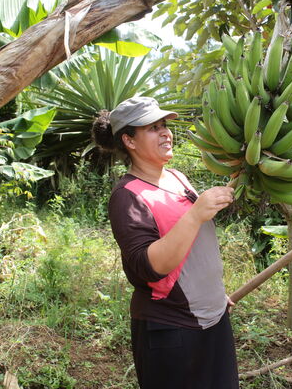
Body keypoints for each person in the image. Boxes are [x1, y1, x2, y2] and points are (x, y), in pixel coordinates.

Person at [91, 96, 240, 389]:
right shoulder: (127, 196)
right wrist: (196, 214)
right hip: (172, 329)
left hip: (213, 318)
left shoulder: (176, 177)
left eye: (164, 125)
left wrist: (212, 296)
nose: (165, 133)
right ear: (129, 141)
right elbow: (150, 266)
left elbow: (195, 248)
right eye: (152, 128)